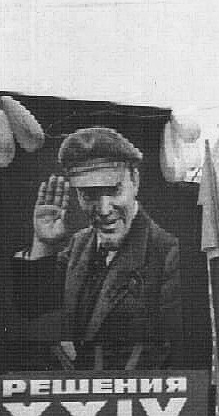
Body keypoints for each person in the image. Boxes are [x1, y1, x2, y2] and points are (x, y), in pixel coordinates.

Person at [10, 127, 182, 371]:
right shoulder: (78, 245)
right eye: (89, 194)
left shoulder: (168, 254)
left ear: (135, 180)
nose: (103, 209)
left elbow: (171, 356)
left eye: (113, 190)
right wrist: (43, 245)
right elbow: (32, 309)